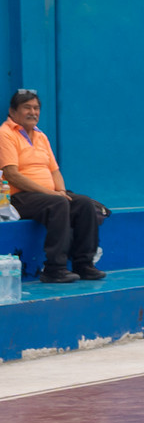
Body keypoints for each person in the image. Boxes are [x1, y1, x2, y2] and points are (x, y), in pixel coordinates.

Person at [1, 89, 107, 284]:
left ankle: (83, 264)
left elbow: (54, 171)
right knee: (58, 203)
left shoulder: (41, 136)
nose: (33, 112)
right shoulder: (5, 134)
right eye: (27, 108)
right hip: (18, 198)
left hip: (47, 196)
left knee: (83, 203)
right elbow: (11, 174)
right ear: (13, 112)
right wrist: (52, 194)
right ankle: (54, 269)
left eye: (36, 108)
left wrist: (60, 191)